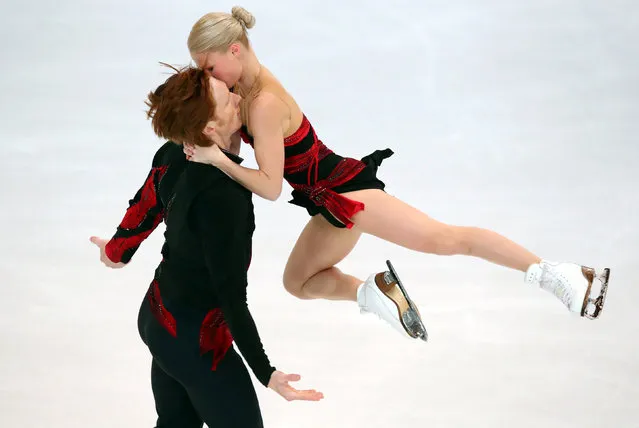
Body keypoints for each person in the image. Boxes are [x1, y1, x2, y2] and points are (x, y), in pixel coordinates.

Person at [182, 6, 611, 341]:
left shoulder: (263, 104)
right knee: (298, 281)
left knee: (446, 239)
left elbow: (271, 187)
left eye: (209, 67)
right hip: (328, 202)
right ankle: (377, 292)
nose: (207, 77)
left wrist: (218, 160)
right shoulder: (242, 88)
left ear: (234, 50)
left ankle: (565, 276)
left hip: (350, 193)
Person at [90, 65, 323, 428]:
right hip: (194, 343)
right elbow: (231, 297)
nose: (238, 97)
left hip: (157, 319)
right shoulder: (224, 199)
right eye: (228, 98)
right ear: (210, 129)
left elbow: (147, 203)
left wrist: (117, 251)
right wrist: (267, 372)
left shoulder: (173, 152)